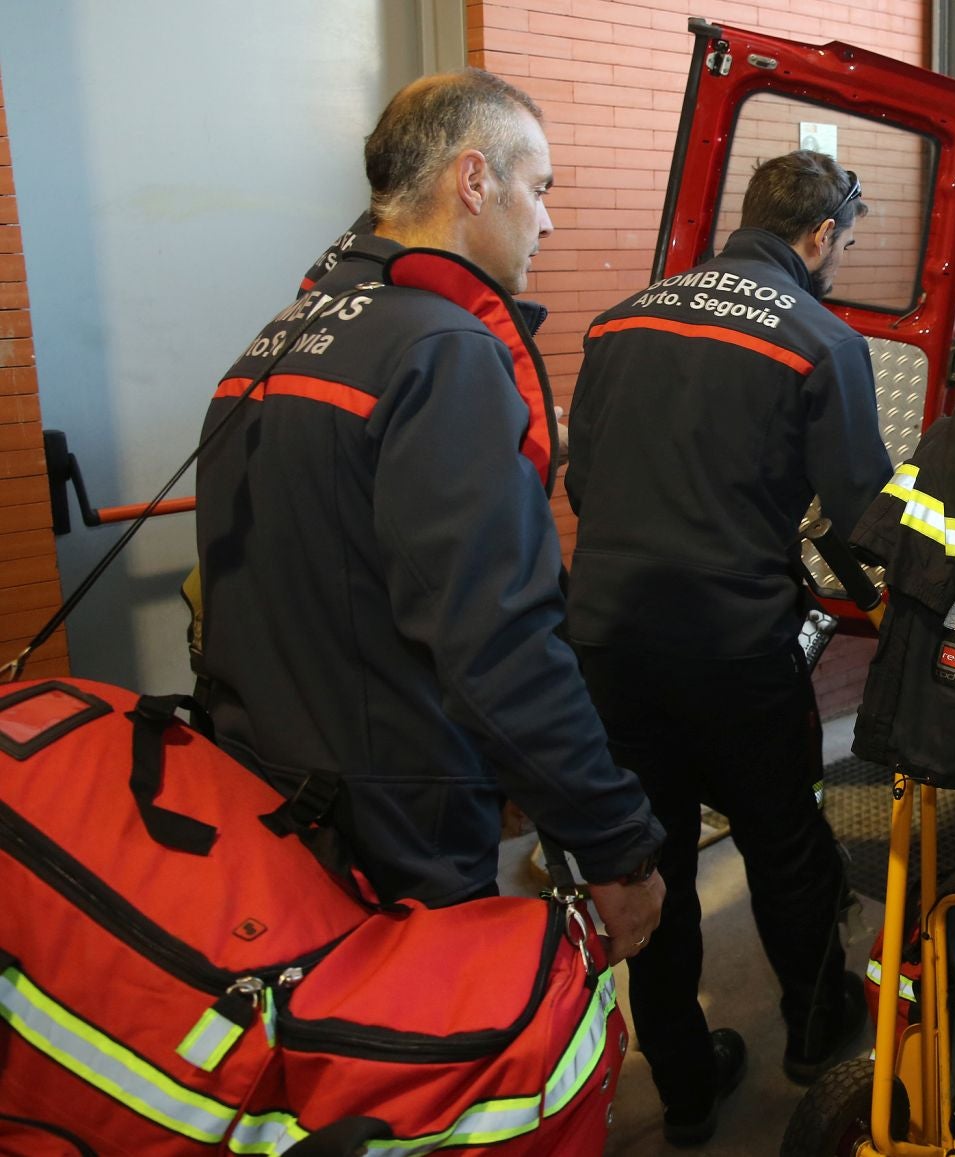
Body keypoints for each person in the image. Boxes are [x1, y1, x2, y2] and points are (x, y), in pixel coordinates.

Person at [194, 70, 666, 954]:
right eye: (541, 190)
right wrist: (617, 848)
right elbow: (499, 639)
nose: (549, 220)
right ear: (474, 180)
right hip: (398, 830)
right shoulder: (444, 351)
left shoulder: (280, 334)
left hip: (267, 798)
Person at [564, 150, 892, 1145]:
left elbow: (583, 482)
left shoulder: (619, 319)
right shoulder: (821, 339)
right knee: (784, 839)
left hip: (608, 638)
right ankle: (810, 1028)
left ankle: (684, 1082)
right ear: (822, 236)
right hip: (737, 643)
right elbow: (860, 510)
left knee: (646, 853)